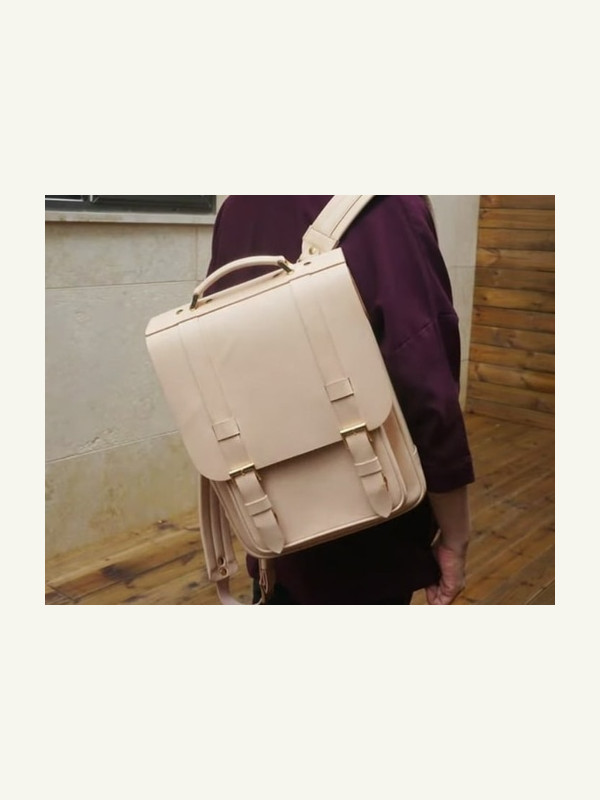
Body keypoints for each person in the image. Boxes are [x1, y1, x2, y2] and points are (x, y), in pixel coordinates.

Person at [206, 196, 474, 605]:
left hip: (270, 522)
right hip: (370, 532)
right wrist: (455, 534)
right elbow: (425, 385)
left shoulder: (238, 207)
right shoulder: (390, 206)